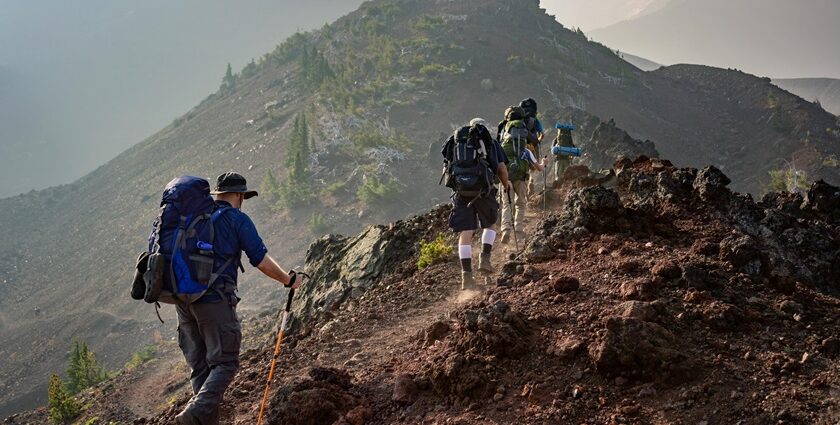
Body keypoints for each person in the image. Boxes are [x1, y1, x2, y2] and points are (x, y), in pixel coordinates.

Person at [175, 172, 300, 425]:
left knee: (201, 369)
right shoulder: (236, 219)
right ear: (240, 195)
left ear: (218, 194)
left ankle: (200, 419)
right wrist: (288, 280)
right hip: (214, 301)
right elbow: (261, 261)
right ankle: (194, 414)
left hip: (183, 301)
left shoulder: (195, 218)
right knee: (226, 364)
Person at [442, 122, 511, 289]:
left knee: (465, 233)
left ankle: (466, 277)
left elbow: (446, 170)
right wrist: (506, 185)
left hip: (461, 193)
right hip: (483, 191)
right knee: (490, 225)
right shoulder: (490, 143)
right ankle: (485, 258)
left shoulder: (455, 143)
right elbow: (501, 168)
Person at [499, 122, 549, 244]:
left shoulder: (502, 148)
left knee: (507, 205)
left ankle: (506, 230)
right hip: (521, 179)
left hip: (506, 180)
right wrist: (544, 162)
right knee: (520, 204)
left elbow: (498, 166)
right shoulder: (526, 150)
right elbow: (539, 168)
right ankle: (519, 230)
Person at [519, 98, 545, 194]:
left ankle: (524, 184)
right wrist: (537, 141)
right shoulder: (535, 120)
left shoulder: (519, 120)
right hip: (532, 146)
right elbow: (542, 134)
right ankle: (531, 181)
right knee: (533, 166)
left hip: (521, 145)